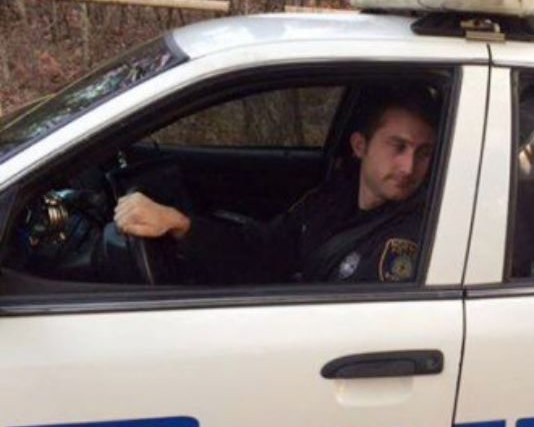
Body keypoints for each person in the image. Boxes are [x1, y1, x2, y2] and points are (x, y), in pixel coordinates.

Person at [113, 84, 439, 284]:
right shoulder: (333, 197)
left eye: (423, 153)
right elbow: (266, 249)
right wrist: (180, 226)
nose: (409, 167)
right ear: (359, 146)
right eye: (398, 147)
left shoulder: (416, 232)